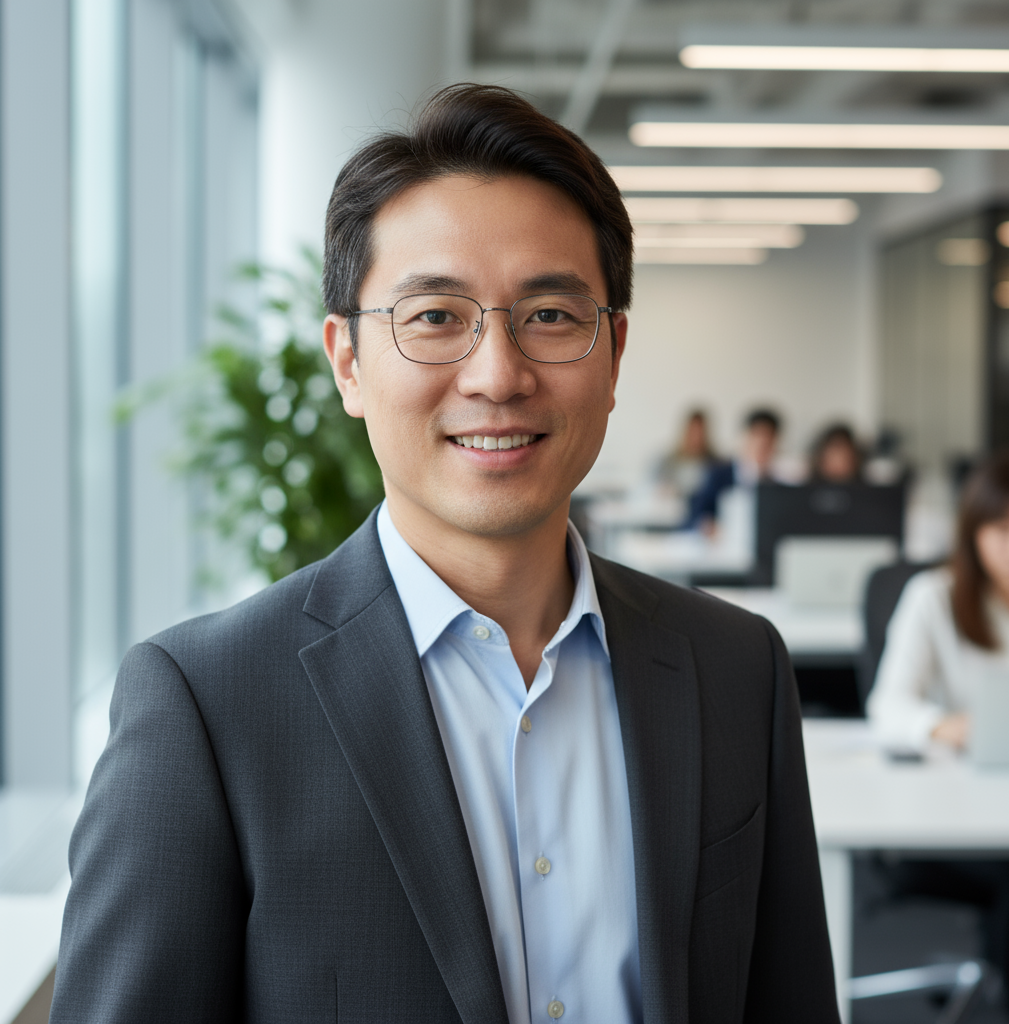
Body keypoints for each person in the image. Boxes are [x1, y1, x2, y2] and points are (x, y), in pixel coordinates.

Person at [50, 85, 838, 1023]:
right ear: (347, 360)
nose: (498, 375)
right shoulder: (208, 705)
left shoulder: (734, 668)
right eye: (434, 318)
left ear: (615, 351)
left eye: (550, 316)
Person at [867, 450, 1009, 1020]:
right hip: (954, 813)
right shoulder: (934, 597)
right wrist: (942, 726)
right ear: (974, 531)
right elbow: (887, 708)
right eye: (1004, 529)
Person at [683, 406, 783, 530]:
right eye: (757, 438)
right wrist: (706, 525)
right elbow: (696, 514)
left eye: (767, 443)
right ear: (745, 437)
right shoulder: (718, 474)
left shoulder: (778, 481)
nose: (761, 448)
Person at [654, 407, 716, 498]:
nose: (696, 438)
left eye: (700, 432)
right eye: (693, 432)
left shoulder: (715, 464)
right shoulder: (668, 462)